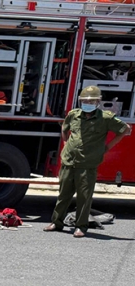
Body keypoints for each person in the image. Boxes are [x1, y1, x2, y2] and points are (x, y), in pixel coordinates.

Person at [44, 85, 131, 237]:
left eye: (91, 101)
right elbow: (64, 129)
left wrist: (106, 148)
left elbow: (125, 130)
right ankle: (56, 223)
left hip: (88, 164)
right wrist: (65, 145)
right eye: (84, 101)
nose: (87, 104)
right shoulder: (74, 114)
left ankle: (81, 226)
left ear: (98, 102)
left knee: (84, 197)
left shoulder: (106, 118)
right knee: (63, 194)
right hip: (69, 161)